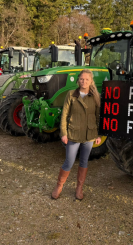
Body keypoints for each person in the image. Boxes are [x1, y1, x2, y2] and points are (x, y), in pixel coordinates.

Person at [51, 69, 102, 200]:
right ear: (78, 80)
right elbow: (64, 115)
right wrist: (64, 133)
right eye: (82, 79)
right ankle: (59, 185)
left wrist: (98, 134)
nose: (84, 82)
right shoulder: (71, 94)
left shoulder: (95, 96)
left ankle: (79, 188)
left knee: (84, 161)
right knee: (69, 161)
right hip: (73, 133)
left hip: (89, 135)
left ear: (91, 81)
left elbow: (98, 117)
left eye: (87, 79)